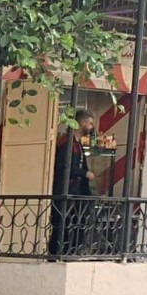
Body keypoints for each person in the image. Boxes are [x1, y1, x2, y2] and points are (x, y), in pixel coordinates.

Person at [49, 109, 95, 258]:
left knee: (75, 223)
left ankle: (71, 251)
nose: (92, 127)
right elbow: (63, 166)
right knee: (62, 225)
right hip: (65, 190)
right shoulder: (67, 143)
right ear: (82, 123)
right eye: (90, 123)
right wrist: (84, 173)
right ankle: (58, 254)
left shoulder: (76, 143)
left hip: (75, 191)